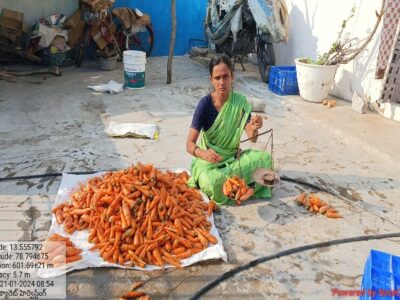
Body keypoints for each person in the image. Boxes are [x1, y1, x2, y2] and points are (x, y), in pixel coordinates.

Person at [186, 54, 272, 205]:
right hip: (210, 163)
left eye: (225, 76)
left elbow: (252, 137)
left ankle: (238, 189)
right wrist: (204, 154)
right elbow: (189, 144)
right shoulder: (204, 105)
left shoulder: (239, 103)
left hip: (234, 159)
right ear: (211, 80)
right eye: (217, 78)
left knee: (266, 159)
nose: (222, 82)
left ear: (232, 76)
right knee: (211, 181)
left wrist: (256, 126)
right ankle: (243, 187)